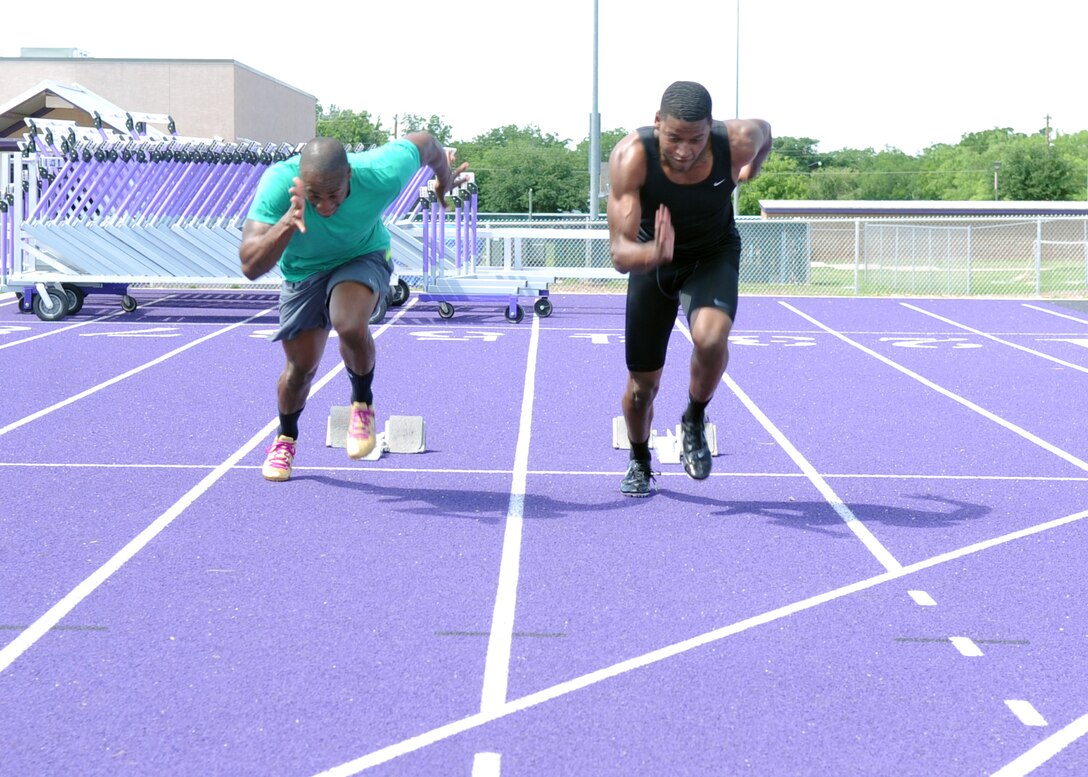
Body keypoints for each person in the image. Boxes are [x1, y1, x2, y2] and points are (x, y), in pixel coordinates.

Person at [240, 133, 467, 482]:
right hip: (303, 272)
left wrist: (443, 180)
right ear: (300, 183)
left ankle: (362, 403)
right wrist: (288, 221)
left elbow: (427, 144)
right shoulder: (278, 183)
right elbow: (251, 266)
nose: (326, 206)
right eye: (315, 197)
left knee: (347, 322)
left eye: (335, 195)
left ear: (349, 176)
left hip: (362, 255)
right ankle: (286, 437)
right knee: (299, 371)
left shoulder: (380, 172)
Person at [606, 80, 772, 497]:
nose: (684, 150)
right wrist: (656, 252)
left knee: (712, 337)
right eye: (674, 137)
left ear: (711, 129)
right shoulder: (632, 157)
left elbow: (766, 130)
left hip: (711, 256)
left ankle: (695, 418)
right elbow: (620, 256)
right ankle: (639, 459)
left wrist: (755, 167)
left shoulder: (736, 141)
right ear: (657, 122)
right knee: (641, 390)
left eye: (696, 139)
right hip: (653, 264)